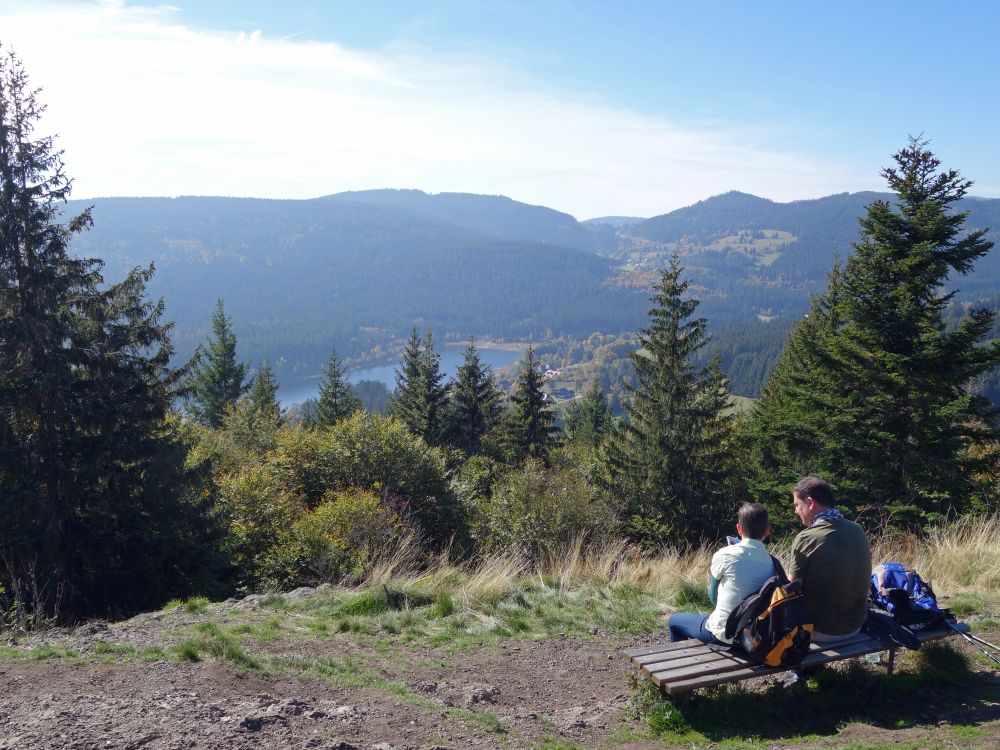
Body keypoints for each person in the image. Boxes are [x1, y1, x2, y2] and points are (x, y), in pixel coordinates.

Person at [668, 502, 775, 644]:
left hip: (724, 635)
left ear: (739, 528)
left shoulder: (725, 555)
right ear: (767, 530)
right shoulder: (773, 563)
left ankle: (682, 663)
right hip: (753, 638)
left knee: (674, 621)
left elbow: (712, 596)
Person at [789, 475, 871, 643]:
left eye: (797, 504)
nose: (795, 511)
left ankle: (802, 668)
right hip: (856, 626)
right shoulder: (857, 530)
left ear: (810, 503)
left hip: (821, 630)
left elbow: (791, 589)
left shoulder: (807, 537)